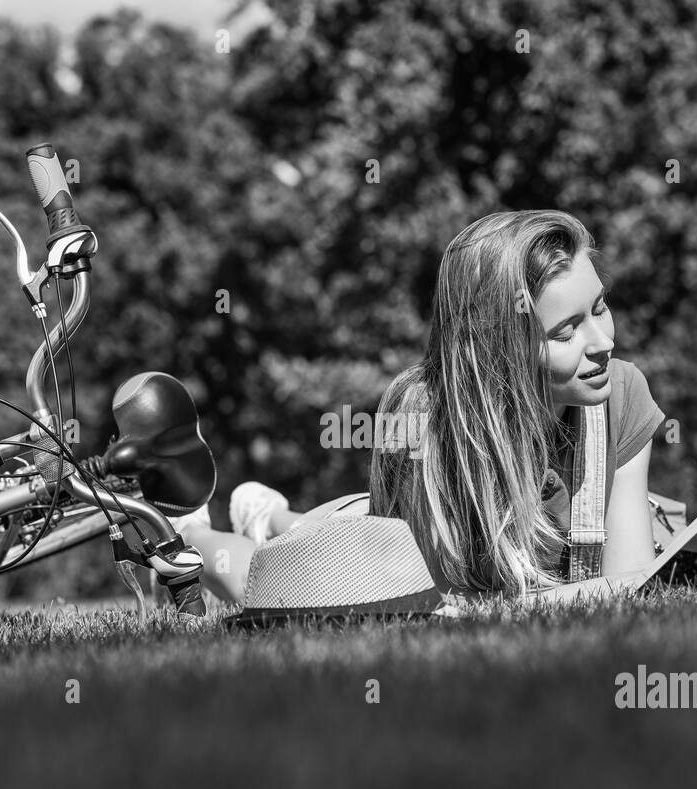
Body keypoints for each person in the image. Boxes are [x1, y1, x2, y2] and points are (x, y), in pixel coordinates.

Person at [174, 210, 667, 607]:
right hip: (377, 548)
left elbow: (632, 583)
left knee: (301, 531)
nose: (603, 341)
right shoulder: (418, 418)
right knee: (269, 583)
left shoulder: (621, 395)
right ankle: (188, 530)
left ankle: (272, 514)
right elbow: (428, 609)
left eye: (600, 308)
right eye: (565, 331)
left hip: (420, 545)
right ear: (498, 346)